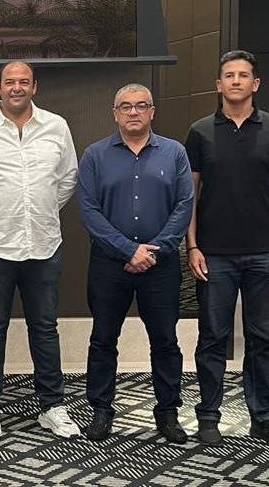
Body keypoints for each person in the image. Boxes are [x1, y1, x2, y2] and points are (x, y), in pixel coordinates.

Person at [0, 60, 80, 440]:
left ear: (34, 87)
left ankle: (52, 406)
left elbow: (67, 178)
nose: (17, 88)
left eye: (24, 81)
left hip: (43, 243)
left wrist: (38, 210)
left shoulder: (56, 126)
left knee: (45, 328)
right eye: (10, 82)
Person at [185, 50, 269, 449]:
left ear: (255, 84)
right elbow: (190, 195)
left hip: (265, 254)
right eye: (229, 75)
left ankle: (263, 418)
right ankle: (208, 417)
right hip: (214, 255)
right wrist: (192, 245)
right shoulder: (200, 132)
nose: (236, 80)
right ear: (218, 84)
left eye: (243, 75)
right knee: (212, 338)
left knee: (262, 339)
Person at [77, 84, 194, 442]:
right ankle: (101, 410)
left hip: (161, 266)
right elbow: (89, 210)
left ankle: (168, 412)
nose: (133, 112)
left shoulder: (174, 153)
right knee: (102, 339)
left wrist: (152, 251)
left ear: (152, 112)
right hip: (109, 265)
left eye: (141, 106)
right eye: (125, 106)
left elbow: (184, 205)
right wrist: (128, 250)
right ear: (115, 113)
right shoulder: (95, 155)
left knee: (165, 341)